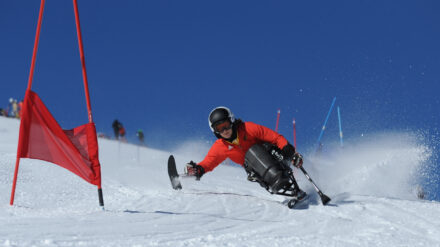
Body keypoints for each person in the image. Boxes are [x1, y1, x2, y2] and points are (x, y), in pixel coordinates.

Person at [184, 106, 307, 202]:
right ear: (215, 131)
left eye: (226, 125)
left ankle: (285, 180)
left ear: (231, 121)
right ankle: (282, 185)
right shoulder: (220, 146)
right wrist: (198, 170)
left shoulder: (248, 128)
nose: (224, 131)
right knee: (250, 161)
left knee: (254, 150)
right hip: (256, 169)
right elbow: (209, 162)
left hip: (273, 155)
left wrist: (290, 152)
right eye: (219, 128)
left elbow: (275, 137)